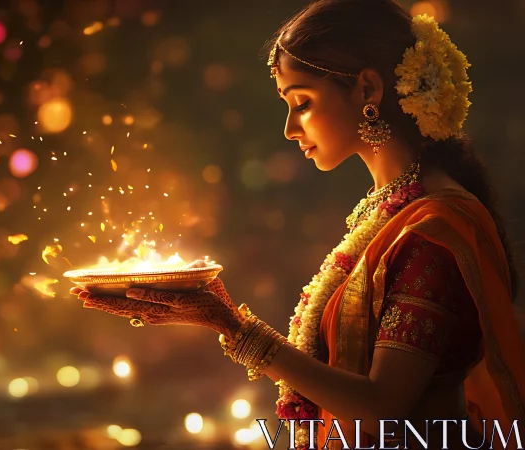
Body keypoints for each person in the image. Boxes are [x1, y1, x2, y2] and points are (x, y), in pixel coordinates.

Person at [70, 1, 525, 448]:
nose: (289, 128)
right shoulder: (388, 210)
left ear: (367, 89)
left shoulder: (432, 229)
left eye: (302, 102)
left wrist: (233, 327)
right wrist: (219, 320)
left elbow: (382, 409)